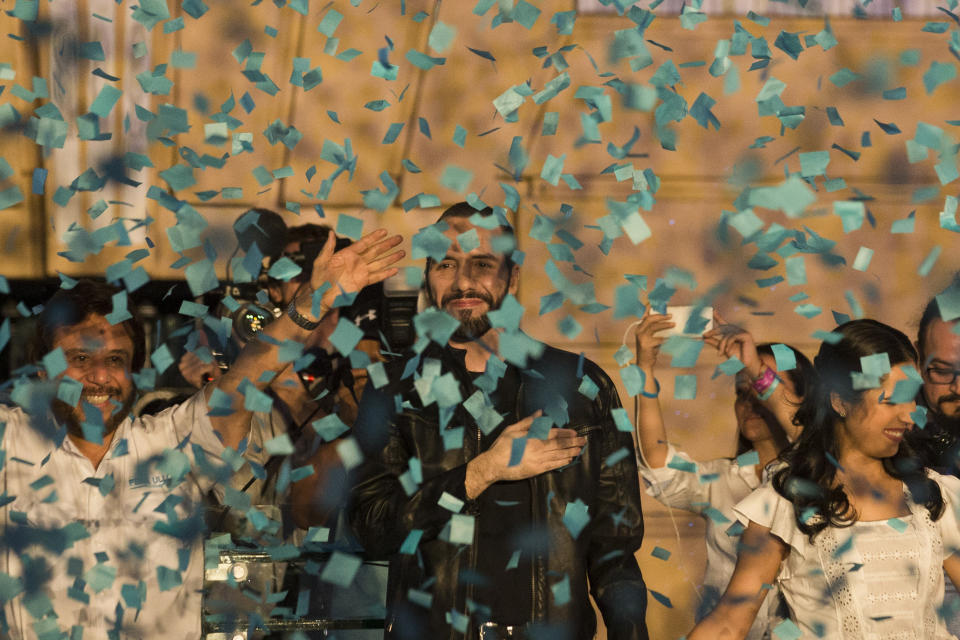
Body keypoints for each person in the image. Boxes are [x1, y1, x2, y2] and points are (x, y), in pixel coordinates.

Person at [0, 228, 402, 638]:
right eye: (80, 358)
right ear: (41, 369)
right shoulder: (9, 443)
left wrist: (312, 302)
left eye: (115, 359)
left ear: (134, 370)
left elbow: (246, 378)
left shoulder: (172, 442)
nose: (100, 376)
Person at [348, 202, 649, 640]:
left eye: (482, 264)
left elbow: (615, 549)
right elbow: (372, 528)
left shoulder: (581, 386)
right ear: (428, 278)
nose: (463, 281)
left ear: (513, 276)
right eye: (446, 264)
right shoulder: (394, 389)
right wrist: (482, 471)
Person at [688, 319, 960, 640]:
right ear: (840, 400)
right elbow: (728, 624)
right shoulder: (787, 503)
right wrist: (755, 369)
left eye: (912, 397)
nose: (907, 413)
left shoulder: (933, 495)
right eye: (890, 399)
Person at [632, 310, 812, 639]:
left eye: (762, 389)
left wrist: (755, 366)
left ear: (804, 399)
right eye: (742, 393)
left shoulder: (824, 476)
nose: (751, 402)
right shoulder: (722, 478)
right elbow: (658, 464)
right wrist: (643, 369)